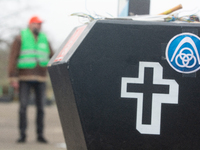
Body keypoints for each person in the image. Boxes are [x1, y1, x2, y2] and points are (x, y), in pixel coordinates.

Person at [8, 16, 54, 143]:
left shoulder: (45, 38)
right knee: (23, 107)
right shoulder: (20, 38)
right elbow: (13, 58)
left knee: (41, 108)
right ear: (30, 24)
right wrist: (12, 77)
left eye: (40, 24)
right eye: (37, 23)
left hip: (41, 78)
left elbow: (52, 56)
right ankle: (22, 135)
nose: (39, 26)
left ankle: (40, 135)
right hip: (24, 78)